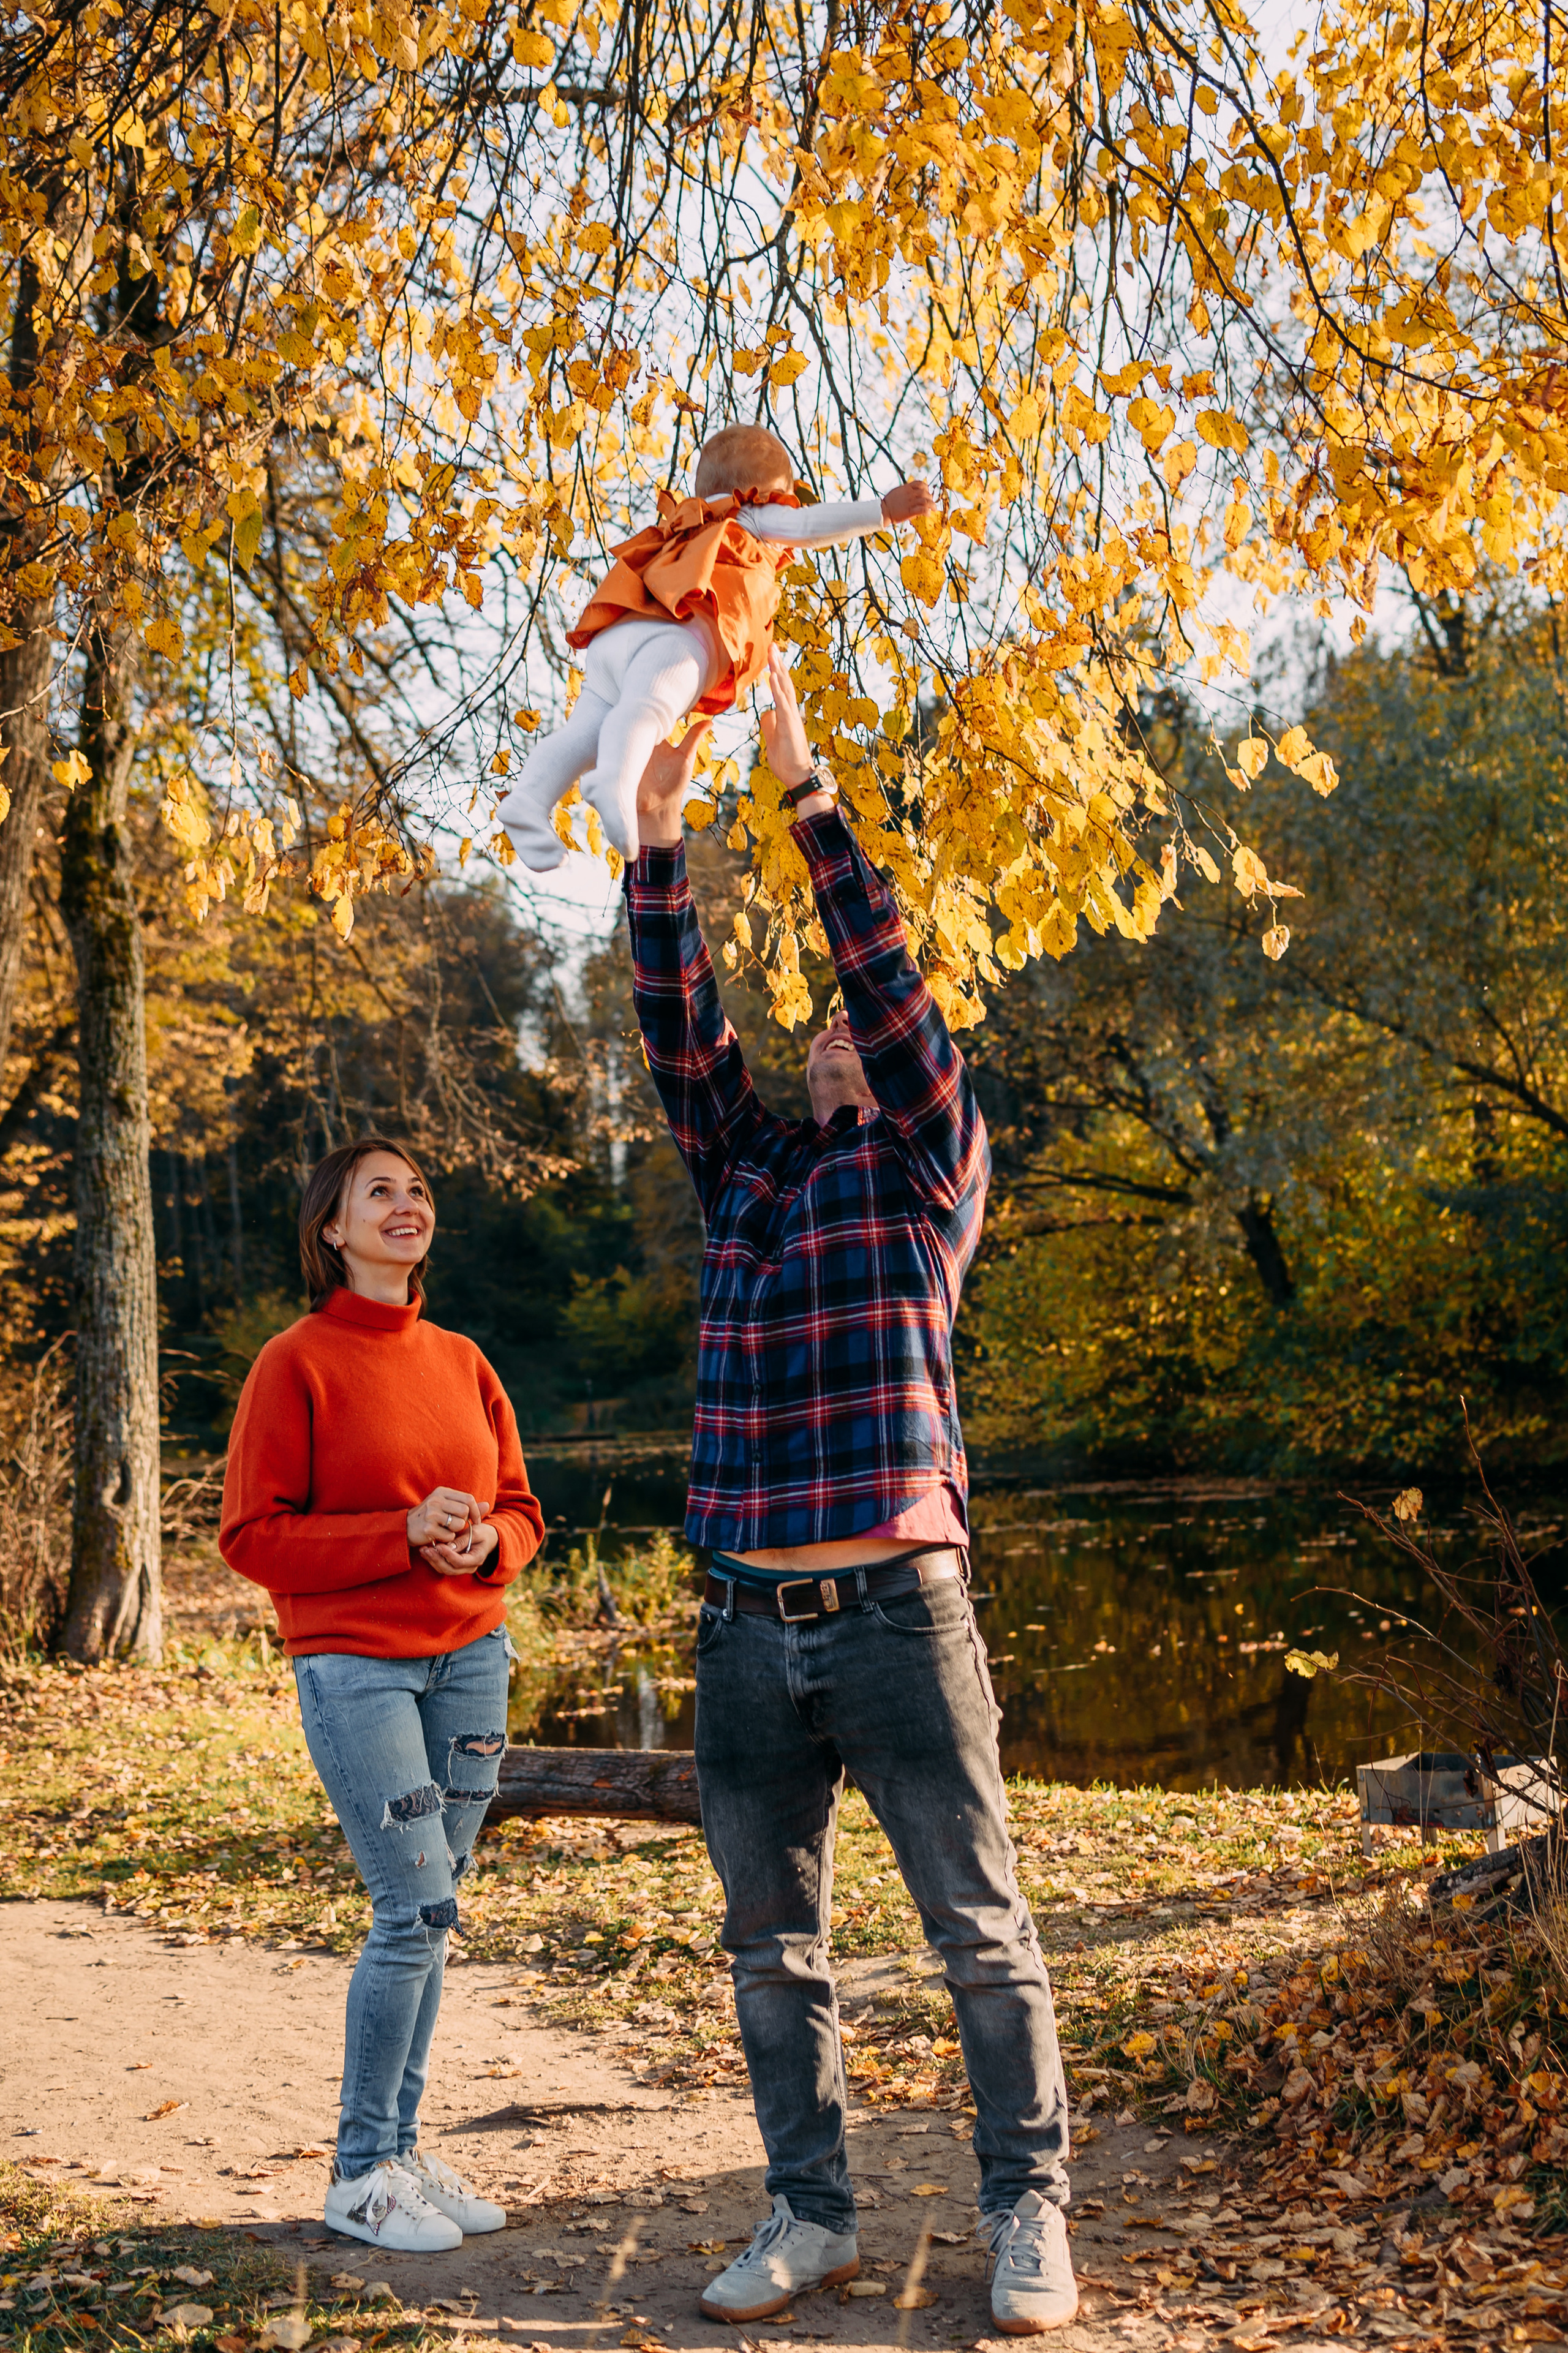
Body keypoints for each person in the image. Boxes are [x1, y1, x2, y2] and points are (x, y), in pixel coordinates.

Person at [622, 651, 1078, 2335]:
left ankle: (1026, 2212)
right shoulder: (746, 1170)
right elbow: (683, 1033)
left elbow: (884, 979)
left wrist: (803, 788)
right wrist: (657, 839)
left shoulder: (929, 1169)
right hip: (745, 1627)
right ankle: (808, 2213)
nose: (834, 1031)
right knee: (770, 1949)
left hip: (897, 1615)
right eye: (812, 1026)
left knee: (978, 1931)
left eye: (856, 1031)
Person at [220, 1136, 545, 2252]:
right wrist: (398, 1533)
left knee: (436, 1911)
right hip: (355, 1666)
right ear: (333, 1226)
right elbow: (252, 1536)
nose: (406, 1204)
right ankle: (359, 2171)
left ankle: (398, 2153)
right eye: (379, 1191)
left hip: (473, 1660)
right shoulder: (294, 1362)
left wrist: (484, 1546)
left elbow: (522, 1511)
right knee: (408, 1908)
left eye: (417, 1189)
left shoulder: (464, 1358)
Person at [499, 421, 936, 872]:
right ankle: (615, 780)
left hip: (619, 629)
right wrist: (883, 511)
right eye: (785, 496)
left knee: (581, 734)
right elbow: (809, 525)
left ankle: (529, 800)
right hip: (675, 636)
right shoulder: (748, 515)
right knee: (650, 707)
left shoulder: (684, 524)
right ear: (765, 492)